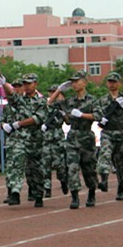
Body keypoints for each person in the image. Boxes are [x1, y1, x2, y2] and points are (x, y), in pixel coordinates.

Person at [48, 70, 101, 209]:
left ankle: (91, 192)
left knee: (88, 168)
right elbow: (48, 104)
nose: (74, 84)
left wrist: (82, 115)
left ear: (85, 82)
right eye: (72, 82)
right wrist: (58, 90)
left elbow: (98, 116)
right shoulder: (69, 101)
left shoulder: (92, 100)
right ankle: (75, 197)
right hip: (72, 137)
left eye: (77, 81)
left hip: (86, 137)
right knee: (72, 167)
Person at [0, 73, 48, 207]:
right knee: (16, 163)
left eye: (29, 83)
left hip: (35, 141)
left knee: (35, 170)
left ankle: (38, 195)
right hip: (20, 140)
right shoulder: (21, 100)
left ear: (35, 84)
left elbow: (37, 118)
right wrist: (4, 84)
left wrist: (19, 124)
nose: (26, 86)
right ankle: (15, 192)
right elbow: (12, 96)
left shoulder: (41, 102)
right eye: (24, 84)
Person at [96, 72, 123, 201]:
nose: (111, 84)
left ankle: (121, 188)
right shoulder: (102, 100)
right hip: (107, 132)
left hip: (121, 132)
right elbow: (97, 114)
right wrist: (102, 119)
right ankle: (104, 180)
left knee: (121, 163)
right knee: (105, 155)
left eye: (114, 82)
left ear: (119, 83)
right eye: (109, 81)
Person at [42, 85, 69, 198]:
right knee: (45, 164)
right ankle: (47, 188)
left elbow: (68, 122)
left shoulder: (63, 106)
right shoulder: (45, 104)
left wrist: (64, 114)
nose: (53, 94)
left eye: (55, 92)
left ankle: (63, 181)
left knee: (59, 164)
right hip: (46, 137)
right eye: (51, 92)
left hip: (58, 137)